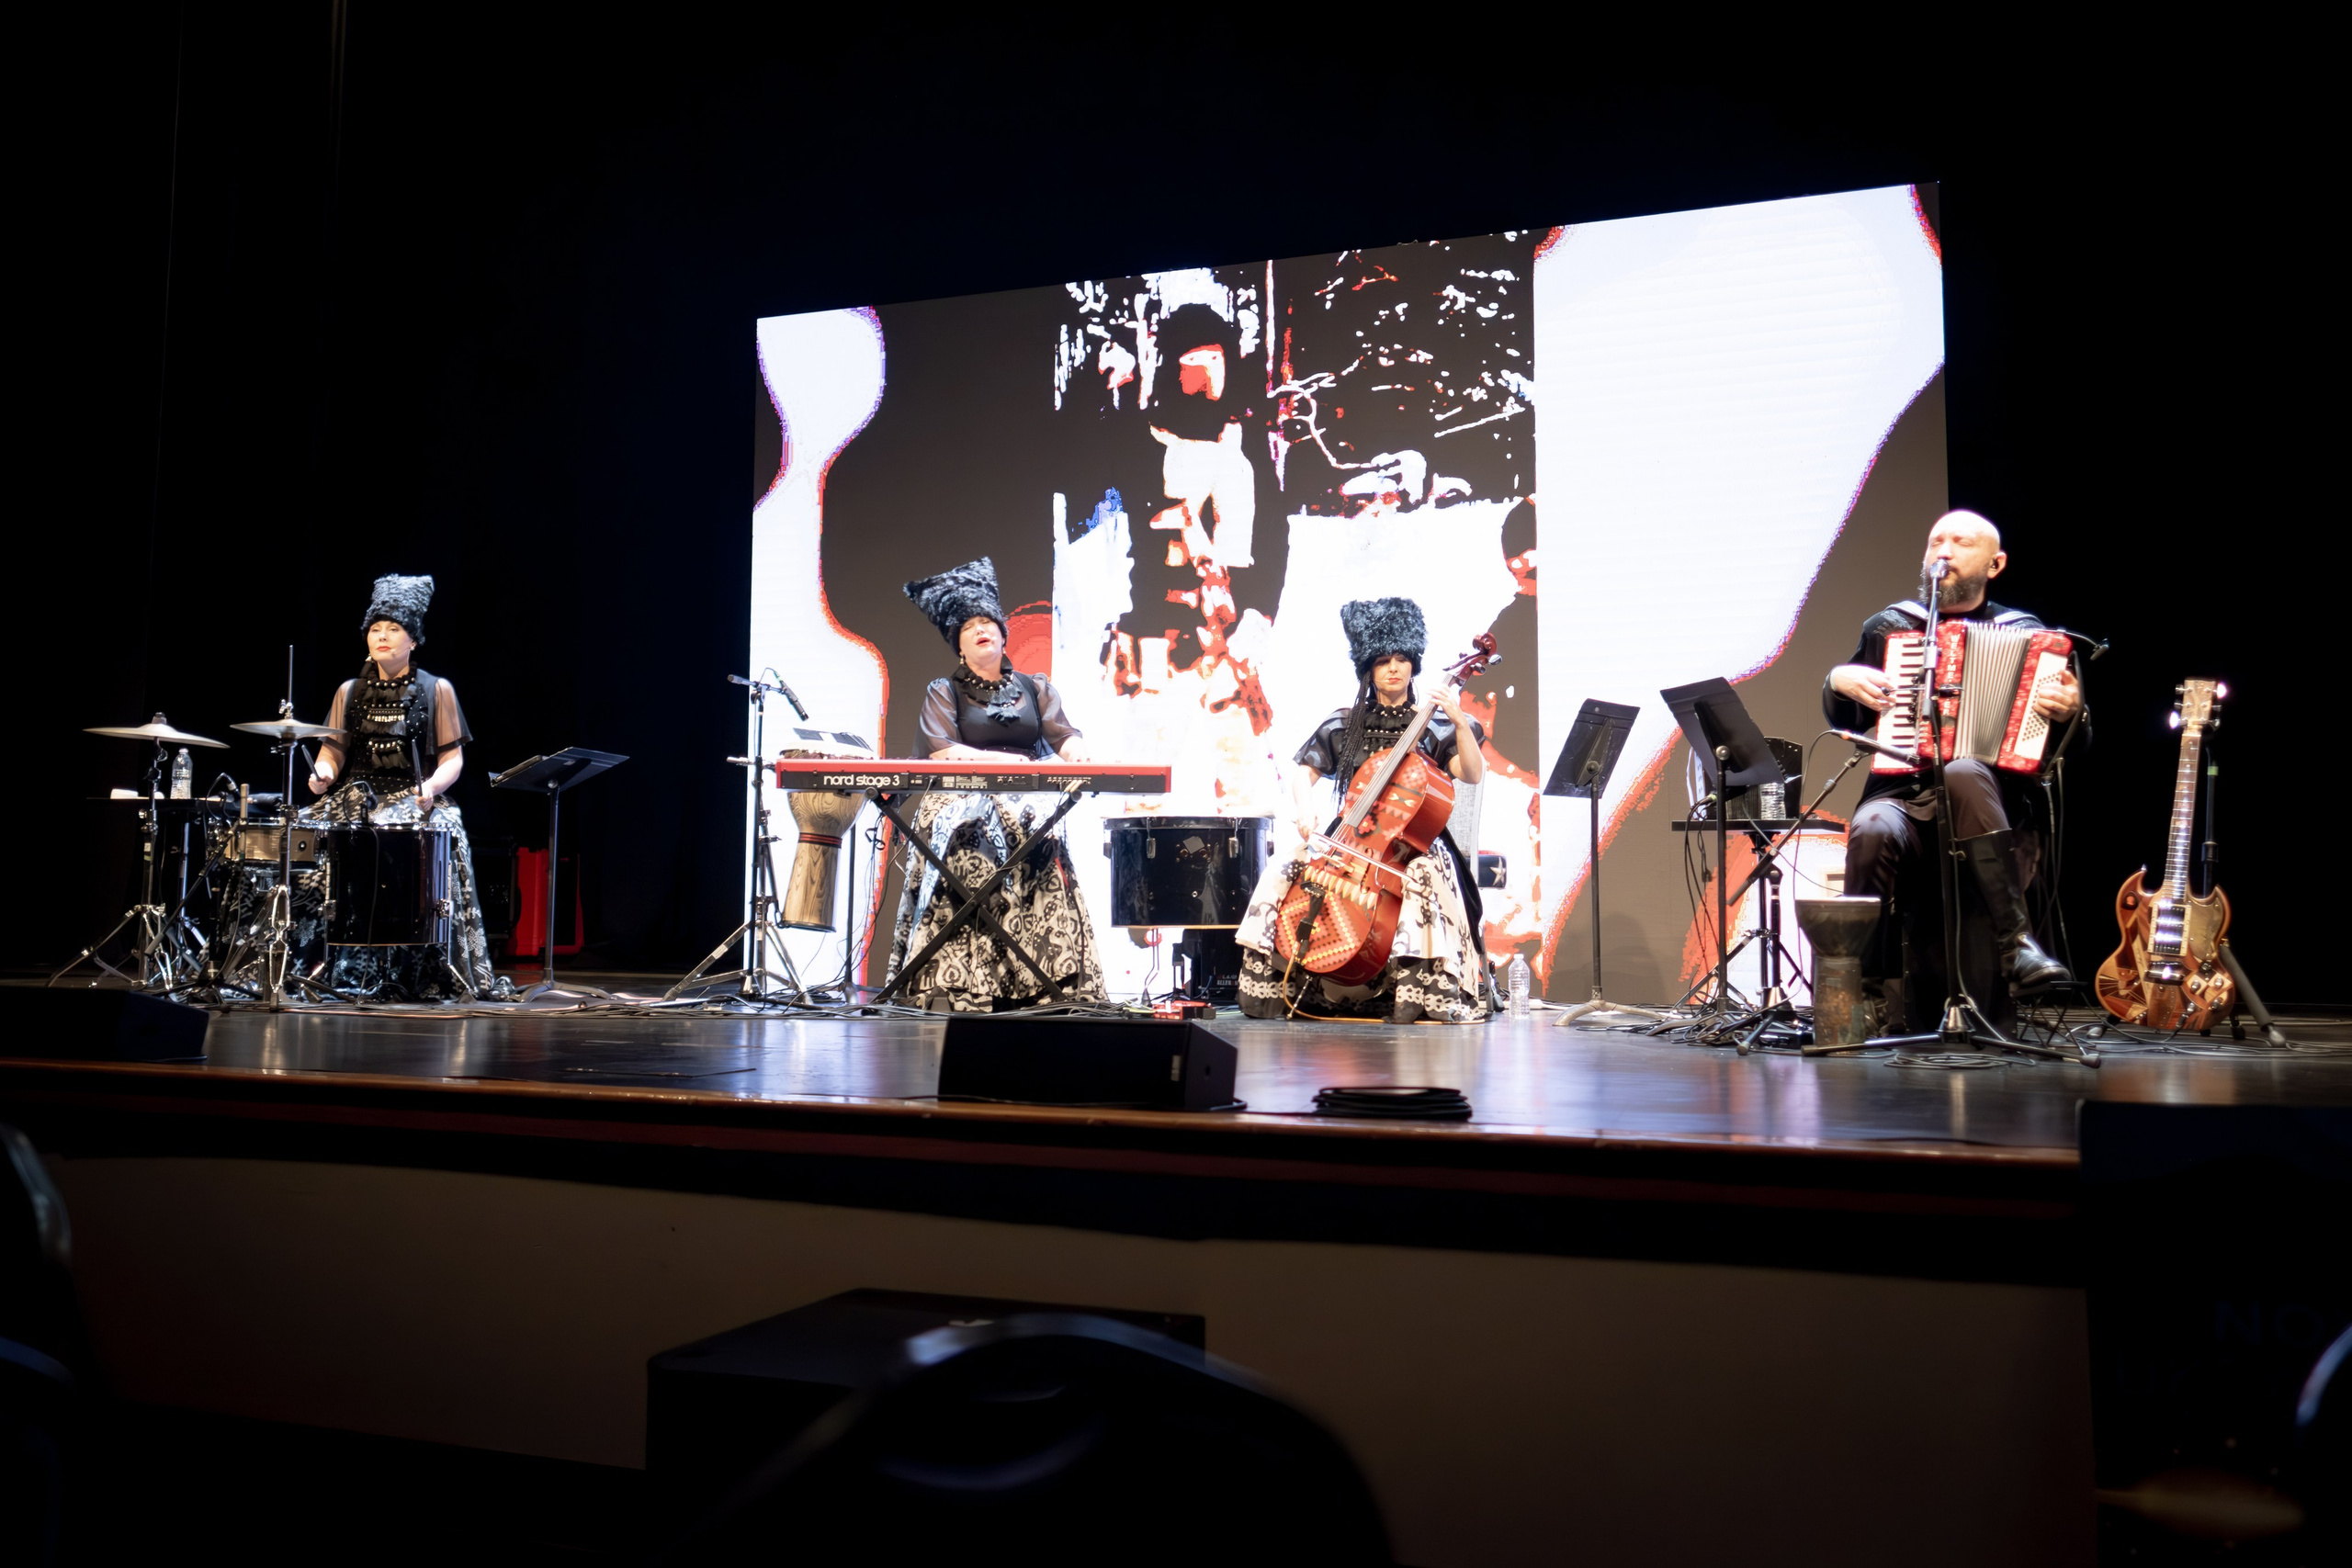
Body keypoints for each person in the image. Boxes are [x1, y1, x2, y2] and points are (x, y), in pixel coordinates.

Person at [1823, 510, 2085, 998]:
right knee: (1873, 825)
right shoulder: (1891, 626)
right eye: (1934, 542)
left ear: (1995, 564)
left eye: (1960, 543)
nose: (1943, 552)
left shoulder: (2027, 634)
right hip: (1903, 794)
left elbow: (2061, 751)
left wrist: (2071, 712)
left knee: (1964, 767)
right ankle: (1865, 986)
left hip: (1991, 805)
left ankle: (2017, 945)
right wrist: (1837, 681)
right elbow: (1853, 721)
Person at [1234, 597, 1491, 1023]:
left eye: (1402, 659)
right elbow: (1304, 773)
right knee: (1283, 868)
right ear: (1368, 669)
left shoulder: (1435, 723)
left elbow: (1472, 773)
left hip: (1414, 842)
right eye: (1383, 660)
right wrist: (1304, 809)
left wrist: (1460, 720)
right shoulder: (1344, 722)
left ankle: (1416, 990)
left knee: (1422, 877)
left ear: (1414, 665)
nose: (1394, 668)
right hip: (1351, 835)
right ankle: (1270, 980)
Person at [881, 557, 1108, 1010]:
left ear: (1004, 635)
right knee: (971, 845)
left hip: (1025, 801)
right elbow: (942, 750)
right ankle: (962, 984)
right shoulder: (943, 691)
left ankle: (1041, 984)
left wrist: (1083, 754)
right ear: (959, 646)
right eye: (969, 627)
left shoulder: (1035, 687)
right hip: (961, 800)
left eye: (988, 622)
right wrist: (996, 763)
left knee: (1038, 842)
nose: (981, 629)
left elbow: (1064, 737)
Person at [301, 573, 505, 999]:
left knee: (432, 830)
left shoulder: (437, 689)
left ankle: (421, 966)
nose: (383, 637)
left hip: (415, 792)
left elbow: (453, 760)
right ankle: (314, 965)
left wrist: (431, 788)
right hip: (359, 793)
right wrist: (321, 775)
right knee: (301, 833)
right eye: (376, 629)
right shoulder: (349, 690)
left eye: (394, 629)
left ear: (413, 640)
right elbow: (333, 752)